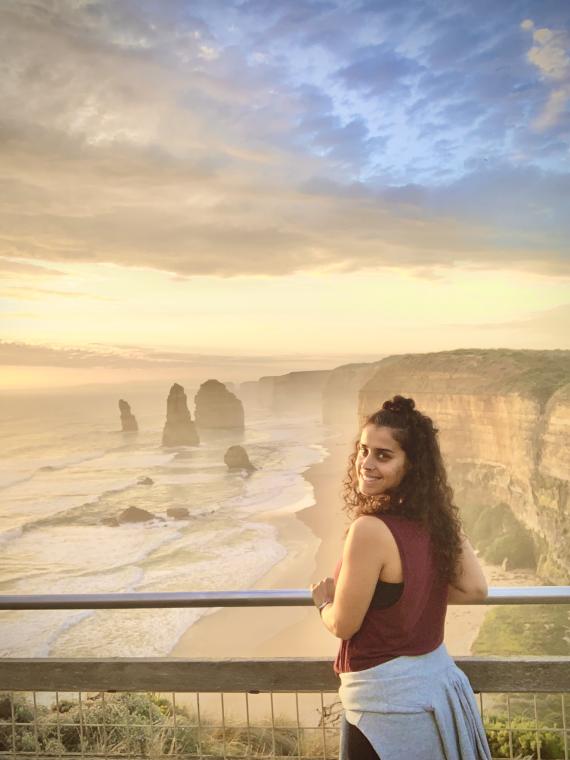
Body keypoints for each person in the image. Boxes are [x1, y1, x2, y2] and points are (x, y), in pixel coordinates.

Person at [310, 395, 491, 760]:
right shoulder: (432, 522)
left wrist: (324, 604)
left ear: (412, 466)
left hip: (383, 706)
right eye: (364, 450)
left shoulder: (369, 530)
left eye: (383, 455)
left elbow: (344, 624)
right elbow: (474, 589)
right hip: (431, 692)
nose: (366, 463)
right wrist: (417, 589)